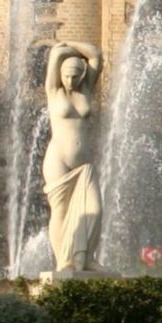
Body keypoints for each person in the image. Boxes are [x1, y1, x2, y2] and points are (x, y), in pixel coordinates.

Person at [43, 41, 103, 272]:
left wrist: (74, 46)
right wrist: (64, 47)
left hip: (84, 164)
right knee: (60, 210)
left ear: (83, 74)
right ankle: (64, 261)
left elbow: (95, 53)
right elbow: (56, 53)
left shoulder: (87, 88)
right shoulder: (53, 91)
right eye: (67, 76)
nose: (71, 80)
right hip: (58, 159)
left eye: (76, 75)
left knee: (95, 210)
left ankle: (86, 258)